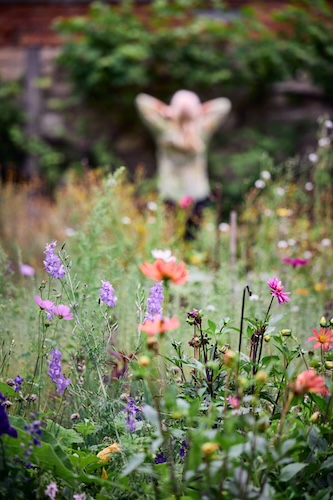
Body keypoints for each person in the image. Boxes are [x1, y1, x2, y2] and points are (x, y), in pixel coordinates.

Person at [135, 89, 231, 238]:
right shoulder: (202, 129)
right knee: (194, 238)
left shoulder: (164, 129)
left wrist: (166, 110)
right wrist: (199, 111)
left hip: (169, 192)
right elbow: (224, 105)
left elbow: (142, 100)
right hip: (197, 193)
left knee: (170, 237)